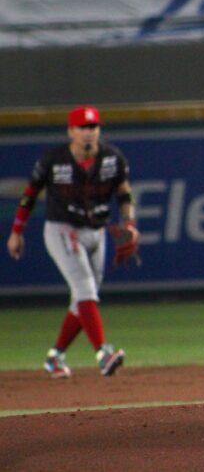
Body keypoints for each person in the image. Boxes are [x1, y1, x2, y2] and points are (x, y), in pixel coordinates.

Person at [6, 105, 139, 378]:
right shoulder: (54, 160)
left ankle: (55, 357)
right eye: (82, 127)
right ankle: (103, 354)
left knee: (82, 299)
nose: (89, 133)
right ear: (71, 131)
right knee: (86, 290)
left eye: (93, 127)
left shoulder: (112, 158)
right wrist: (16, 231)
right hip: (62, 229)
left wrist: (129, 223)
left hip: (96, 232)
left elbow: (125, 193)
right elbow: (30, 195)